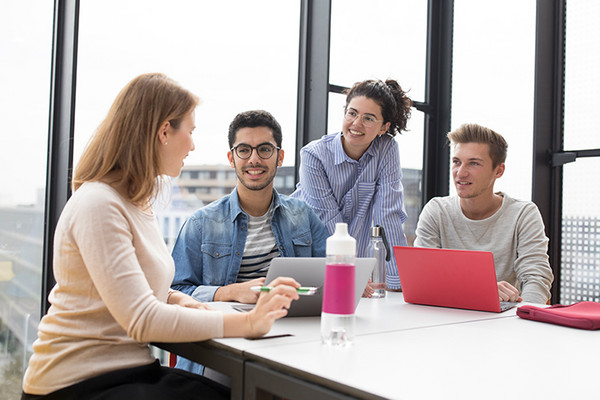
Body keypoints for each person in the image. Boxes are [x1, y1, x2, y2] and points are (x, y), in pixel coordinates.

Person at [21, 73, 300, 400]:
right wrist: (249, 323)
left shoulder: (135, 202)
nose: (193, 144)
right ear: (164, 131)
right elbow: (141, 319)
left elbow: (133, 288)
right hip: (76, 383)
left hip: (127, 372)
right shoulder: (99, 204)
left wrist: (177, 298)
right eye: (191, 131)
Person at [170, 110, 328, 374]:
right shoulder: (201, 223)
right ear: (232, 158)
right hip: (224, 345)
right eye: (244, 150)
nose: (254, 159)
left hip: (295, 340)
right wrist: (228, 292)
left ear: (280, 157)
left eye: (265, 149)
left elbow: (328, 277)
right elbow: (174, 292)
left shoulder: (303, 215)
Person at [291, 79, 412, 294]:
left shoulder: (387, 150)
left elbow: (388, 214)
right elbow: (328, 220)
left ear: (383, 127)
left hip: (349, 265)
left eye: (368, 118)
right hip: (305, 253)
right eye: (352, 113)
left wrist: (399, 284)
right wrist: (350, 273)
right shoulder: (314, 155)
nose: (356, 123)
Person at [414, 123, 553, 304]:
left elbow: (536, 277)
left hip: (504, 322)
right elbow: (423, 278)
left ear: (499, 170)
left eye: (473, 163)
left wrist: (525, 319)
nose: (460, 173)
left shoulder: (523, 214)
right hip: (447, 316)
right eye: (456, 162)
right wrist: (482, 290)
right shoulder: (436, 210)